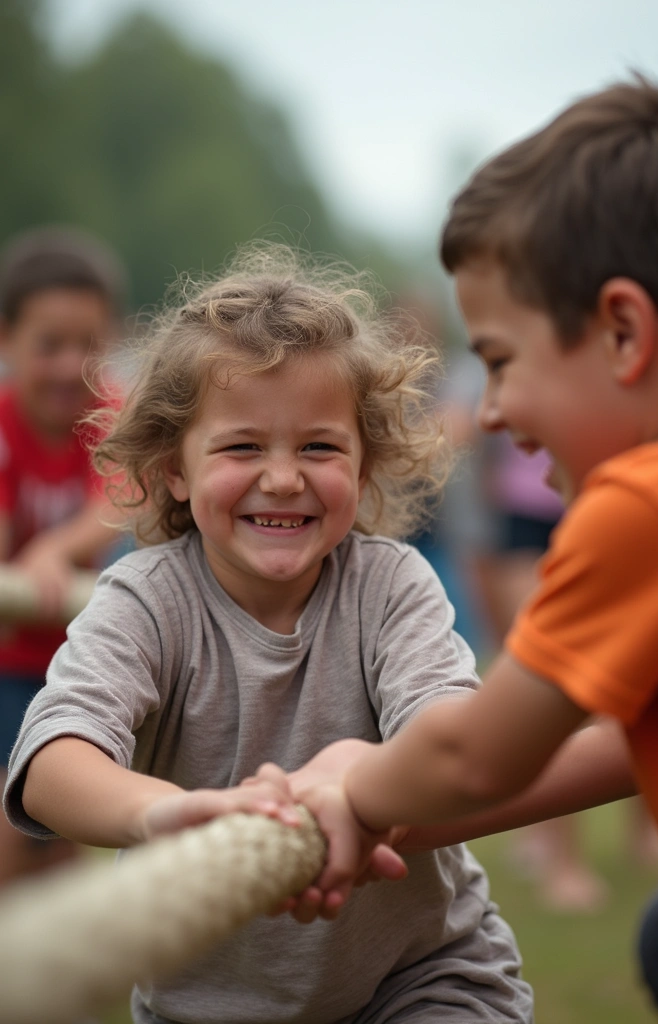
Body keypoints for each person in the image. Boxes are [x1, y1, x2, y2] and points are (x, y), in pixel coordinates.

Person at [241, 78, 658, 1021]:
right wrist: (388, 810)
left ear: (623, 332)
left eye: (498, 360)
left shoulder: (650, 506)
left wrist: (355, 785)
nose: (486, 411)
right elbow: (624, 748)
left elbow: (472, 755)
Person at [4, 246, 533, 1024]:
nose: (283, 478)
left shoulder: (392, 585)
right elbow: (52, 759)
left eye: (319, 446)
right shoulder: (145, 601)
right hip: (209, 1005)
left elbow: (448, 731)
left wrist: (364, 783)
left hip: (420, 976)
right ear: (174, 467)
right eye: (242, 446)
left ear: (363, 464)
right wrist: (161, 813)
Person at [0, 226, 125, 885]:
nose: (70, 366)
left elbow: (121, 499)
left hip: (83, 662)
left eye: (90, 346)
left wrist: (51, 550)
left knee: (65, 835)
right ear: (7, 340)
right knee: (10, 840)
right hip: (8, 663)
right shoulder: (3, 422)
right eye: (50, 345)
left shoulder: (113, 416)